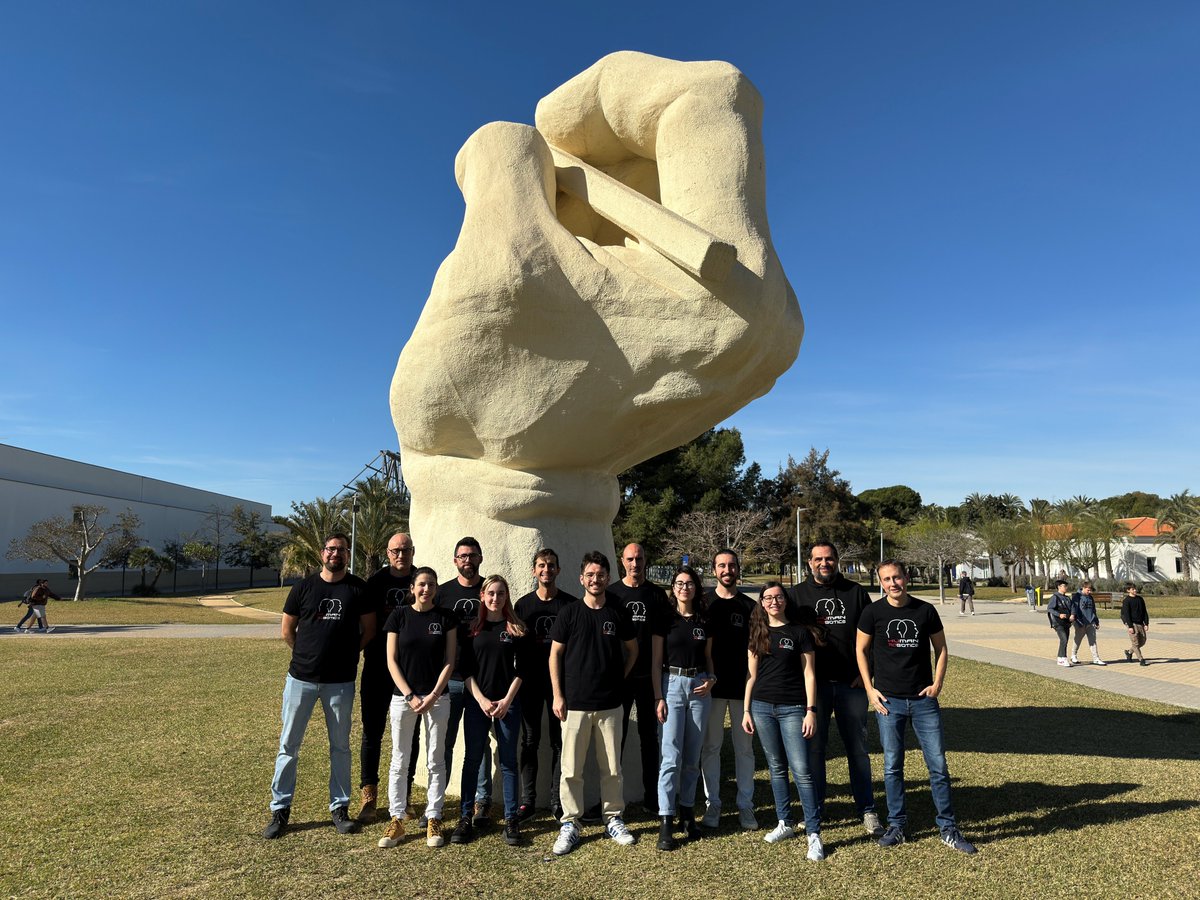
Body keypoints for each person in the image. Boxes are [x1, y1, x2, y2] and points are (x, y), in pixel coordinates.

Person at [856, 559, 977, 855]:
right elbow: (860, 649)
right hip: (889, 703)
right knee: (892, 767)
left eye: (896, 577)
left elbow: (942, 649)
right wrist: (870, 690)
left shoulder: (925, 610)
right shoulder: (873, 612)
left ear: (906, 577)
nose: (892, 583)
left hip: (924, 701)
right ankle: (896, 826)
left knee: (938, 767)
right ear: (881, 582)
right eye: (886, 579)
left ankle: (948, 828)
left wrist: (937, 684)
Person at [263, 533, 375, 840]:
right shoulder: (304, 587)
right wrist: (306, 656)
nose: (335, 553)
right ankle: (280, 810)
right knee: (289, 745)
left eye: (341, 549)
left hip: (340, 682)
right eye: (331, 548)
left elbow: (369, 630)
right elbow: (288, 630)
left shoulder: (358, 589)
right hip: (301, 679)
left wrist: (349, 654)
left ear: (347, 554)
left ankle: (340, 809)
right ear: (322, 552)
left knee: (340, 747)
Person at [548, 551, 639, 855]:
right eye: (590, 575)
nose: (595, 579)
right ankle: (570, 822)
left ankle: (613, 817)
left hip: (611, 705)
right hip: (574, 705)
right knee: (571, 769)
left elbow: (633, 651)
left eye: (600, 575)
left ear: (607, 578)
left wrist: (619, 680)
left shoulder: (618, 612)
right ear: (581, 578)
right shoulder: (570, 613)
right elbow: (555, 656)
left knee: (612, 768)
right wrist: (558, 695)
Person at [790, 541, 882, 836]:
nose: (824, 563)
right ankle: (815, 809)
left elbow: (874, 636)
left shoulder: (855, 593)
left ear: (837, 561)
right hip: (814, 687)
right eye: (818, 559)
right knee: (814, 751)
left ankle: (867, 809)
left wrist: (867, 673)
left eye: (829, 558)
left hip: (850, 685)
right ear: (809, 562)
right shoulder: (795, 595)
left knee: (857, 749)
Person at [742, 582, 824, 861]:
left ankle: (813, 833)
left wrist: (810, 710)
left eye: (778, 597)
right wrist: (746, 710)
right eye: (768, 597)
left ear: (785, 600)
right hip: (762, 707)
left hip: (793, 708)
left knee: (801, 769)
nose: (773, 601)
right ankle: (784, 822)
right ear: (762, 603)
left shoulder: (799, 633)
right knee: (776, 767)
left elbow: (809, 674)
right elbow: (751, 675)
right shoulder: (757, 632)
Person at [377, 566, 457, 849]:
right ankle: (397, 818)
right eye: (422, 584)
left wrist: (434, 694)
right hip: (403, 699)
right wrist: (410, 694)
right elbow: (391, 660)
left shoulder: (445, 618)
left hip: (438, 699)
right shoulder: (399, 616)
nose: (426, 589)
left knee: (435, 759)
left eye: (431, 585)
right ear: (412, 588)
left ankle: (434, 816)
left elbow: (450, 660)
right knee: (400, 759)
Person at [453, 575, 526, 847]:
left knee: (508, 762)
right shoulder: (473, 630)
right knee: (472, 760)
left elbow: (522, 671)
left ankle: (511, 820)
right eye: (491, 593)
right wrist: (482, 700)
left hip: (508, 704)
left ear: (507, 597)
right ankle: (465, 817)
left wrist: (506, 701)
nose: (496, 598)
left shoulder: (516, 630)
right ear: (482, 596)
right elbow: (466, 670)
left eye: (501, 593)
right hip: (477, 703)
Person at [652, 565, 715, 851]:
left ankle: (687, 812)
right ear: (673, 587)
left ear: (696, 587)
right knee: (670, 756)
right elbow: (655, 662)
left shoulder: (704, 619)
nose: (684, 588)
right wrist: (658, 697)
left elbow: (708, 657)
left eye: (689, 583)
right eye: (679, 583)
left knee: (692, 756)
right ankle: (667, 818)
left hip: (700, 686)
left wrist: (712, 679)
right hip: (672, 685)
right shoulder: (664, 619)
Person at [513, 548, 577, 820]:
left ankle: (556, 799)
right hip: (529, 683)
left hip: (560, 687)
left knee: (559, 743)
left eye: (551, 565)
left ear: (558, 570)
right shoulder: (523, 606)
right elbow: (512, 648)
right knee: (529, 741)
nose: (546, 570)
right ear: (533, 571)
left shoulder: (570, 605)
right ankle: (528, 801)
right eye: (541, 565)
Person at [357, 532, 417, 822]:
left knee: (410, 735)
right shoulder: (375, 583)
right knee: (372, 732)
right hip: (377, 668)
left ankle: (404, 796)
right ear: (387, 553)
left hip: (412, 672)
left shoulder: (421, 579)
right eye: (395, 550)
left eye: (405, 550)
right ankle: (369, 797)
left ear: (413, 552)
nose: (401, 555)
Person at [699, 548, 758, 831]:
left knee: (744, 749)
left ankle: (746, 805)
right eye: (721, 565)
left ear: (738, 569)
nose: (727, 570)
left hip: (742, 689)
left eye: (731, 565)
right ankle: (713, 805)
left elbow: (757, 651)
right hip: (709, 688)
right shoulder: (703, 603)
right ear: (714, 570)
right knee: (711, 747)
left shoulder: (750, 606)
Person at [437, 537, 492, 828]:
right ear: (455, 560)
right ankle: (438, 803)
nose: (467, 560)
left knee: (479, 745)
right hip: (450, 680)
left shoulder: (490, 591)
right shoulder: (443, 593)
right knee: (443, 744)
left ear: (480, 558)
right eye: (462, 556)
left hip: (481, 683)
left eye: (472, 555)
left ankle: (482, 802)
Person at [609, 542, 668, 815]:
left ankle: (652, 798)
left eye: (640, 558)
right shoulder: (611, 594)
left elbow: (665, 638)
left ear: (646, 560)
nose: (635, 563)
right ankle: (612, 800)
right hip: (619, 679)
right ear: (622, 561)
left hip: (648, 677)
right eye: (630, 559)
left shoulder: (656, 595)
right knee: (614, 739)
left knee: (649, 739)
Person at [1070, 581, 1107, 666]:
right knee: (1078, 639)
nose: (1089, 592)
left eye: (1090, 590)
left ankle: (1096, 658)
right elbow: (1074, 609)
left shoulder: (1090, 597)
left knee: (1093, 641)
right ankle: (1073, 655)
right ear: (1083, 588)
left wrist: (1096, 621)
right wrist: (1077, 621)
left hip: (1091, 622)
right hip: (1080, 623)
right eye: (1088, 590)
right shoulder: (1077, 596)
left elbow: (1093, 610)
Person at [1047, 580, 1076, 667]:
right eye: (1064, 586)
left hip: (1066, 622)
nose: (1066, 588)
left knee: (1065, 640)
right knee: (1064, 639)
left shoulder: (1067, 598)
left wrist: (1072, 615)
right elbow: (1050, 609)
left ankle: (1060, 659)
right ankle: (1063, 658)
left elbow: (1072, 607)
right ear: (1059, 587)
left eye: (1066, 586)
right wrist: (1059, 615)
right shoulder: (1055, 597)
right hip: (1058, 623)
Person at [1120, 583, 1150, 666]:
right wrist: (1130, 626)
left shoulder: (1140, 599)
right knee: (1135, 643)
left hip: (1140, 623)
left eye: (1135, 589)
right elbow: (1126, 614)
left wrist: (1146, 623)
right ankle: (1141, 660)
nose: (1135, 590)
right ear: (1128, 590)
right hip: (1132, 623)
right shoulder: (1127, 601)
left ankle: (1129, 652)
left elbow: (1144, 612)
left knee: (1142, 641)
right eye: (1133, 589)